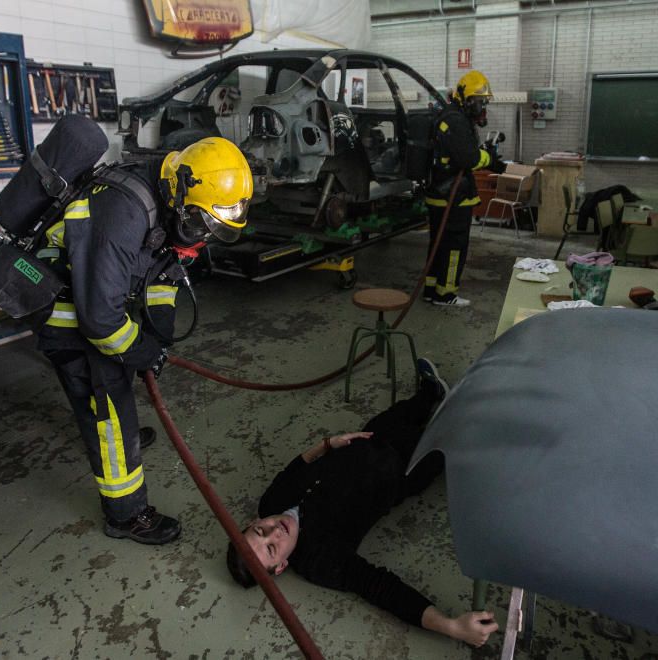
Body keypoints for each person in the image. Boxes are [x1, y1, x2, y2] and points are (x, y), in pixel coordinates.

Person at [36, 137, 253, 545]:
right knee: (112, 411)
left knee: (120, 377)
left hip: (94, 303)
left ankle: (120, 431)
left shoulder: (171, 201)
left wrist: (158, 335)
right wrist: (141, 350)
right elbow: (100, 322)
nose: (199, 237)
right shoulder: (123, 212)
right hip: (66, 313)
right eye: (198, 225)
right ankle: (126, 515)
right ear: (181, 193)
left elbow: (164, 273)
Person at [226, 358, 500, 647]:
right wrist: (450, 626)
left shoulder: (270, 503)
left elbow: (297, 467)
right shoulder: (319, 560)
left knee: (408, 409)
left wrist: (330, 443)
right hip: (405, 469)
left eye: (260, 531)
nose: (274, 531)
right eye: (271, 548)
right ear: (280, 566)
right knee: (456, 430)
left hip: (369, 437)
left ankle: (431, 392)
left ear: (252, 523)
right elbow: (378, 587)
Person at [424, 69, 507, 307]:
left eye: (483, 101)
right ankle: (446, 294)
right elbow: (468, 158)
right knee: (454, 247)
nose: (481, 106)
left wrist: (484, 155)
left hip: (442, 193)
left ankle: (432, 290)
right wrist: (491, 161)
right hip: (452, 196)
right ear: (465, 98)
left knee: (438, 245)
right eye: (478, 101)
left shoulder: (451, 117)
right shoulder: (455, 121)